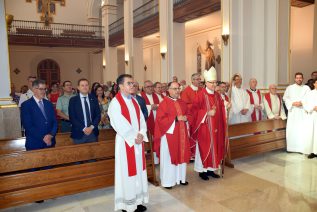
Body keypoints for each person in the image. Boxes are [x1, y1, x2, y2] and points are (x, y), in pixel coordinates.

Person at [108, 74, 149, 212]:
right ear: (120, 86)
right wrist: (134, 136)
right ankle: (128, 204)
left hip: (137, 141)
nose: (133, 85)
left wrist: (142, 134)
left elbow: (142, 121)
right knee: (127, 172)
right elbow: (119, 123)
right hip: (125, 143)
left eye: (133, 83)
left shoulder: (135, 101)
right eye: (129, 83)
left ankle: (137, 200)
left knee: (138, 171)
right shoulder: (115, 103)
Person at [189, 67, 227, 181]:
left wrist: (226, 106)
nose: (214, 84)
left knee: (214, 147)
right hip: (204, 127)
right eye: (212, 82)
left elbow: (220, 106)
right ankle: (202, 171)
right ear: (206, 82)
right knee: (204, 148)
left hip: (215, 127)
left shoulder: (217, 95)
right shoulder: (200, 95)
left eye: (215, 82)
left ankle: (211, 170)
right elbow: (194, 111)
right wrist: (206, 113)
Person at [154, 82, 190, 189]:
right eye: (174, 89)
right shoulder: (164, 103)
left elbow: (189, 114)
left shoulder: (182, 102)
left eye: (178, 88)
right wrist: (175, 119)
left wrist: (186, 118)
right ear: (168, 90)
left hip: (182, 134)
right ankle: (168, 181)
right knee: (169, 157)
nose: (177, 91)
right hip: (170, 135)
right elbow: (160, 120)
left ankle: (180, 178)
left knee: (181, 154)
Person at [21, 79, 57, 150]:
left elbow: (54, 122)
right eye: (41, 89)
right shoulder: (26, 105)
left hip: (50, 142)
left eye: (45, 89)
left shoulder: (48, 104)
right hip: (35, 143)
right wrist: (43, 137)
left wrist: (51, 135)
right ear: (34, 89)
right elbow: (28, 126)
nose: (44, 91)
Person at [283, 72, 310, 153]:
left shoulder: (306, 88)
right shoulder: (289, 88)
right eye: (297, 78)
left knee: (302, 130)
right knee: (293, 129)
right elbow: (285, 98)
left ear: (303, 79)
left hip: (302, 112)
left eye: (300, 78)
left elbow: (309, 98)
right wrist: (292, 103)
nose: (299, 79)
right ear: (295, 79)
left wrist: (302, 103)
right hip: (293, 112)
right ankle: (292, 148)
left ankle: (302, 148)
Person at [68, 79, 101, 144]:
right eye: (82, 85)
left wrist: (91, 127)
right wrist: (84, 128)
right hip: (79, 133)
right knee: (79, 153)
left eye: (86, 85)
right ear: (78, 87)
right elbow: (72, 117)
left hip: (92, 133)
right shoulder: (73, 100)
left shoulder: (94, 99)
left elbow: (98, 115)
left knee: (94, 153)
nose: (85, 87)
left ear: (89, 87)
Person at [180, 73, 202, 159]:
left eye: (199, 79)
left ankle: (199, 152)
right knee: (192, 135)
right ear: (192, 80)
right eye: (196, 79)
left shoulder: (201, 90)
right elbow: (185, 105)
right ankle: (192, 154)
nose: (198, 81)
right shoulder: (186, 91)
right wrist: (196, 106)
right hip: (192, 118)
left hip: (201, 117)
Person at [303, 78, 317, 158]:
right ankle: (313, 152)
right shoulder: (310, 93)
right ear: (314, 84)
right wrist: (313, 108)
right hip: (312, 115)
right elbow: (304, 103)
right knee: (313, 134)